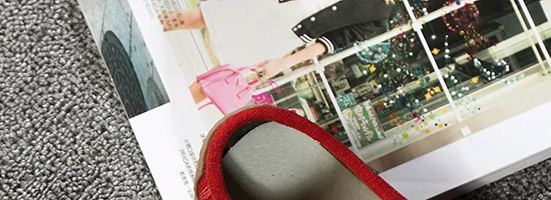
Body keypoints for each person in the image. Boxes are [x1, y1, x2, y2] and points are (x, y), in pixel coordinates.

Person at [160, 0, 395, 104]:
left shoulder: (380, 16)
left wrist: (284, 63)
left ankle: (172, 108)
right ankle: (151, 27)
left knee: (226, 74)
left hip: (284, 34)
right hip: (268, 3)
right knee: (203, 15)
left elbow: (332, 41)